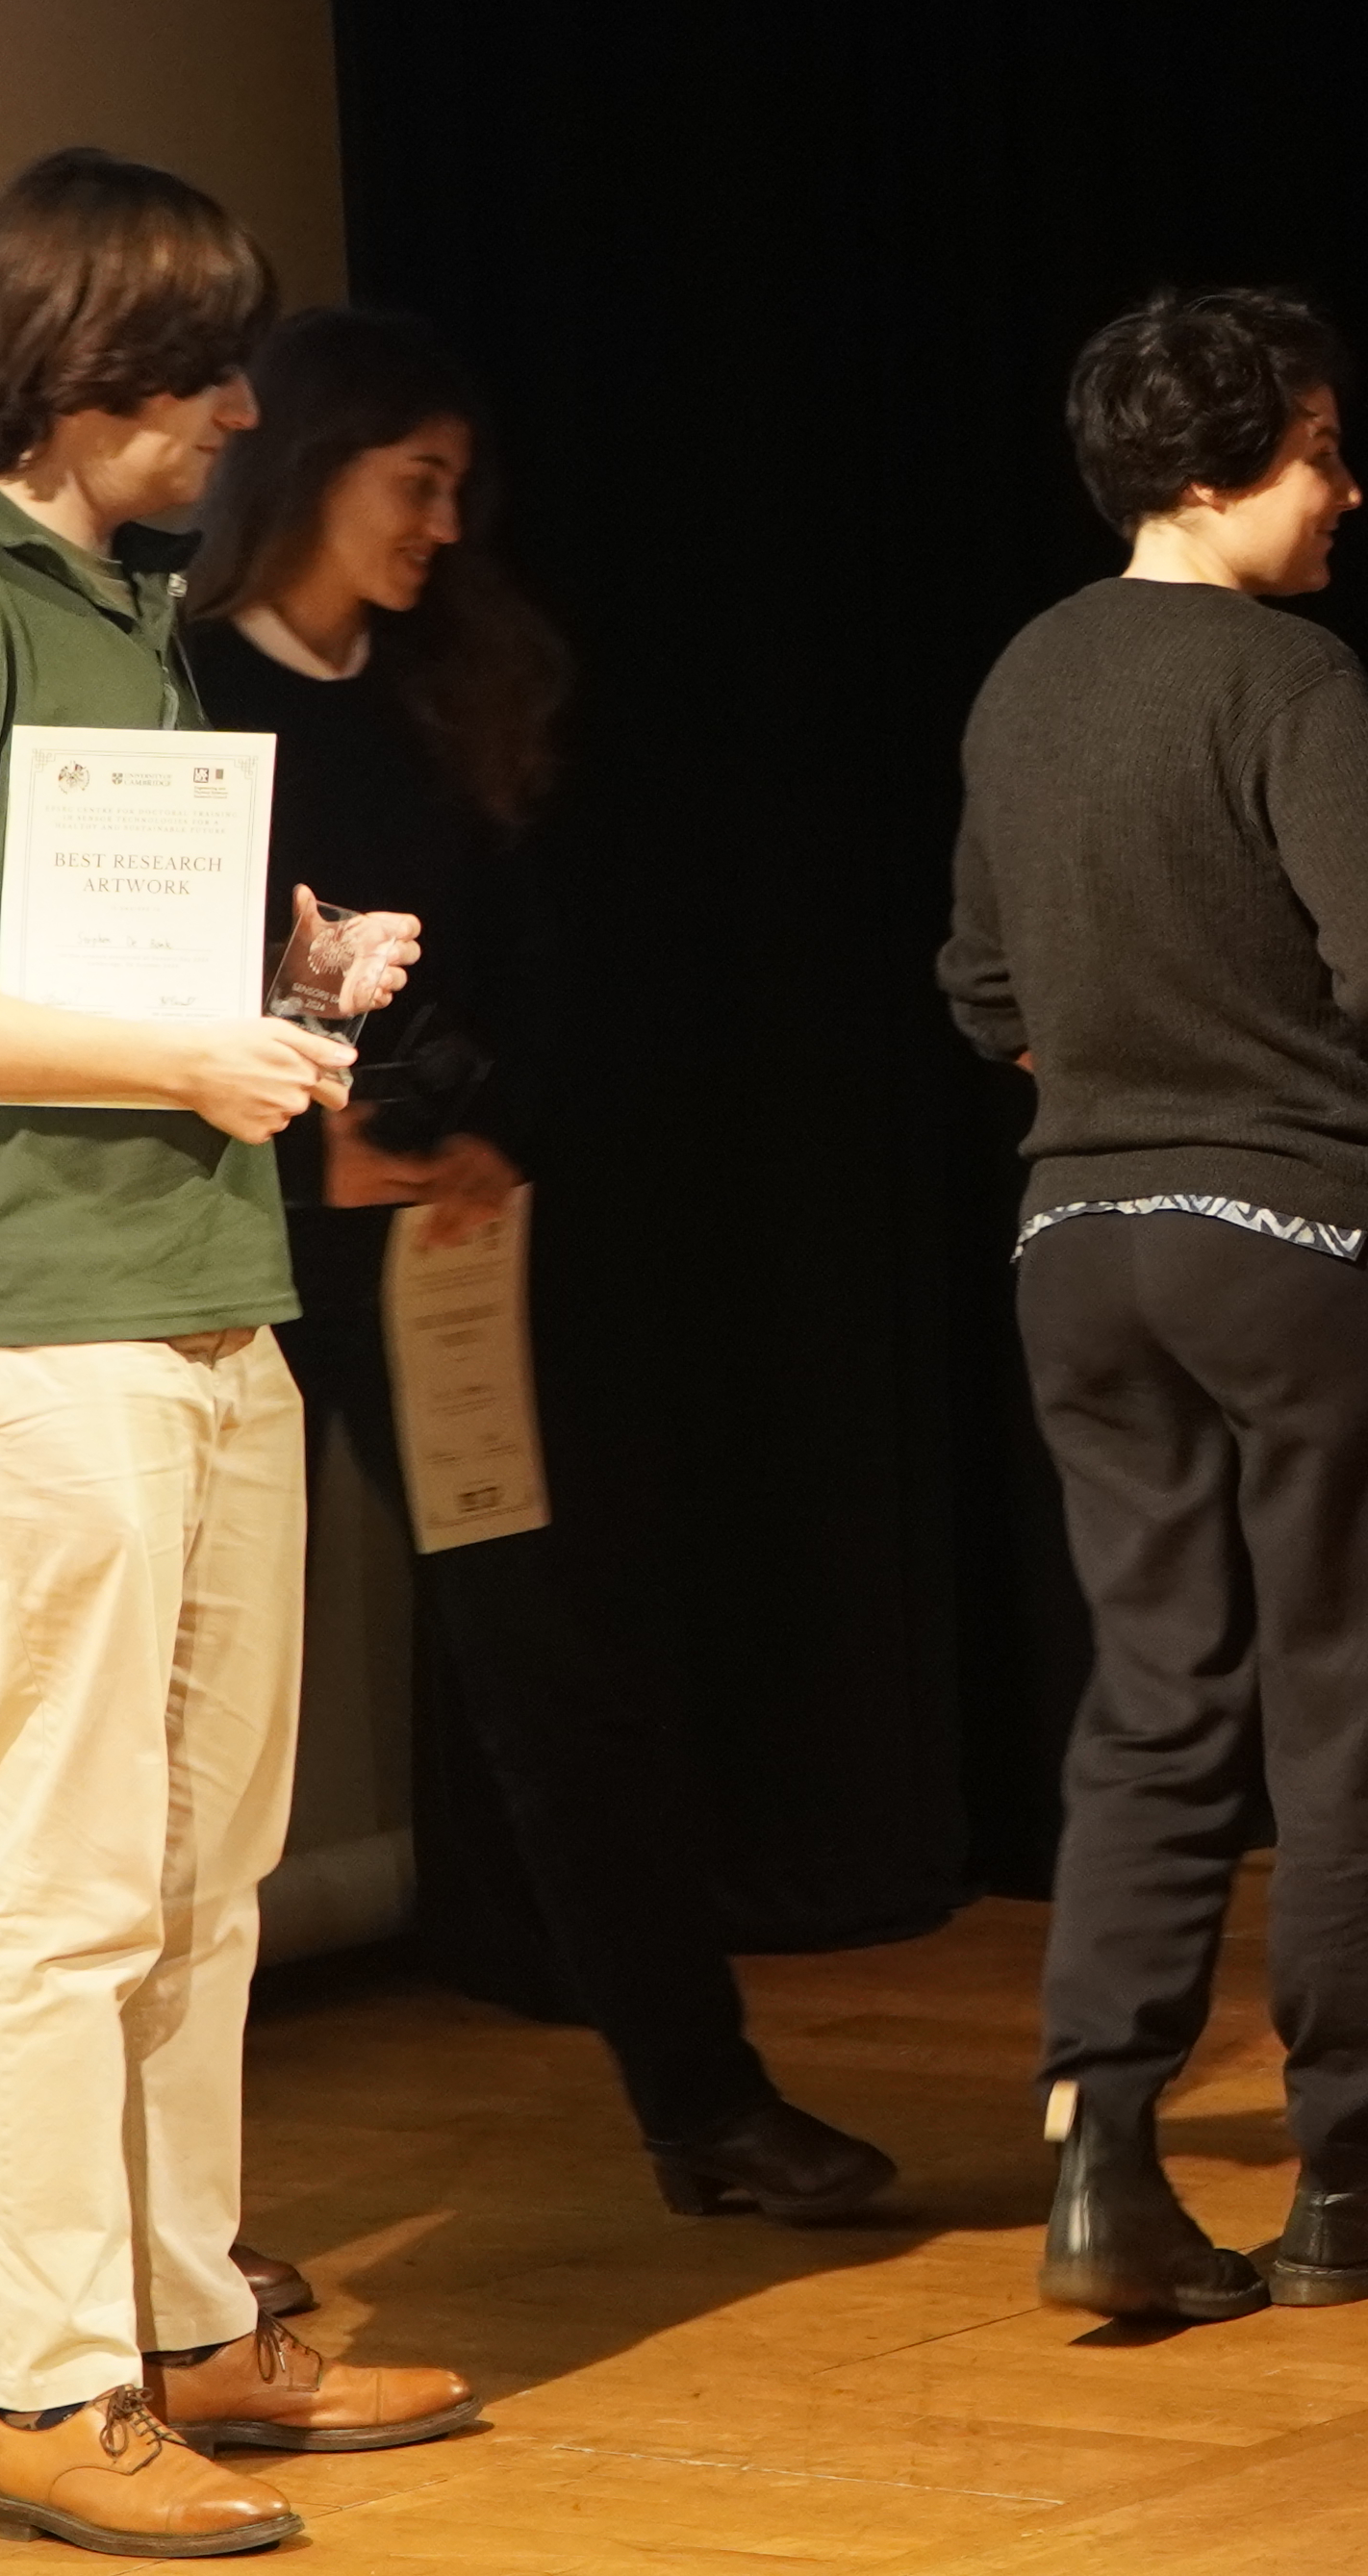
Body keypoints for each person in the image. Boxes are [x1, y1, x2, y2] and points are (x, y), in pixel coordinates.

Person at [0, 150, 479, 2561]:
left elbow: (63, 947)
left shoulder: (124, 597)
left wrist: (266, 991)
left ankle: (187, 2318)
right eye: (201, 385)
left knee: (213, 1862)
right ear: (85, 379)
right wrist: (179, 1062)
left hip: (200, 1281)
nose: (239, 421)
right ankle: (51, 2384)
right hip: (27, 1313)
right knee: (69, 1883)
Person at [183, 307, 898, 2242]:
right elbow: (140, 1003)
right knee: (194, 1709)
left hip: (438, 1256)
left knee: (562, 1647)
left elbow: (529, 971)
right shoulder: (174, 696)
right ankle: (176, 2235)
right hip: (224, 1253)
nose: (442, 523)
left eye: (456, 487)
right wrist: (307, 1135)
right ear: (307, 468)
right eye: (412, 481)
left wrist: (481, 1129)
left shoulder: (435, 688)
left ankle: (706, 2099)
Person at [939, 288, 1368, 2322]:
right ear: (1221, 470)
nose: (1351, 487)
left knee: (1153, 1697)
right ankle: (1353, 2173)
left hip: (1078, 1252)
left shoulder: (1025, 677)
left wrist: (1124, 1077)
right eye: (1322, 450)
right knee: (1348, 1704)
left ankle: (1106, 2164)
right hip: (1307, 1246)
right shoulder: (1287, 674)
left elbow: (977, 984)